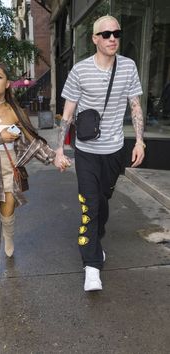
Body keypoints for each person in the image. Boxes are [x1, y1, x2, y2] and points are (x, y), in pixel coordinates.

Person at [54, 15, 145, 291]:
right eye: (106, 34)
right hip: (86, 151)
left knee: (102, 201)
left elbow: (136, 107)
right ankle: (91, 265)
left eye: (116, 33)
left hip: (114, 151)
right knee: (89, 205)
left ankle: (96, 237)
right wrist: (59, 148)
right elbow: (68, 114)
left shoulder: (128, 67)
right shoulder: (80, 71)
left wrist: (140, 141)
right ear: (94, 39)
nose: (112, 38)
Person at [0, 63, 70, 288]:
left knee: (8, 214)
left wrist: (53, 158)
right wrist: (0, 138)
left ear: (7, 83)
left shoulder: (16, 111)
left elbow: (32, 141)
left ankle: (9, 238)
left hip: (9, 171)